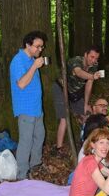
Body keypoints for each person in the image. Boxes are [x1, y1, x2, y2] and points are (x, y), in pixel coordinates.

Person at [9, 30, 48, 180]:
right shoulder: (18, 60)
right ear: (28, 45)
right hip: (25, 108)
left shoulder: (32, 59)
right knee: (26, 141)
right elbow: (21, 84)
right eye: (37, 46)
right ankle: (22, 174)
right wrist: (34, 67)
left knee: (39, 136)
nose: (40, 49)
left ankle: (35, 164)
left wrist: (35, 64)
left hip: (36, 108)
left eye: (42, 47)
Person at [52, 46, 102, 152]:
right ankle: (59, 148)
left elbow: (89, 84)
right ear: (85, 55)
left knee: (87, 114)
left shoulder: (94, 66)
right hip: (61, 88)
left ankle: (86, 142)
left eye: (96, 58)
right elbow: (79, 72)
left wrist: (86, 103)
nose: (93, 60)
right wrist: (92, 76)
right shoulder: (76, 61)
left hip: (76, 92)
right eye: (92, 57)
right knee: (64, 118)